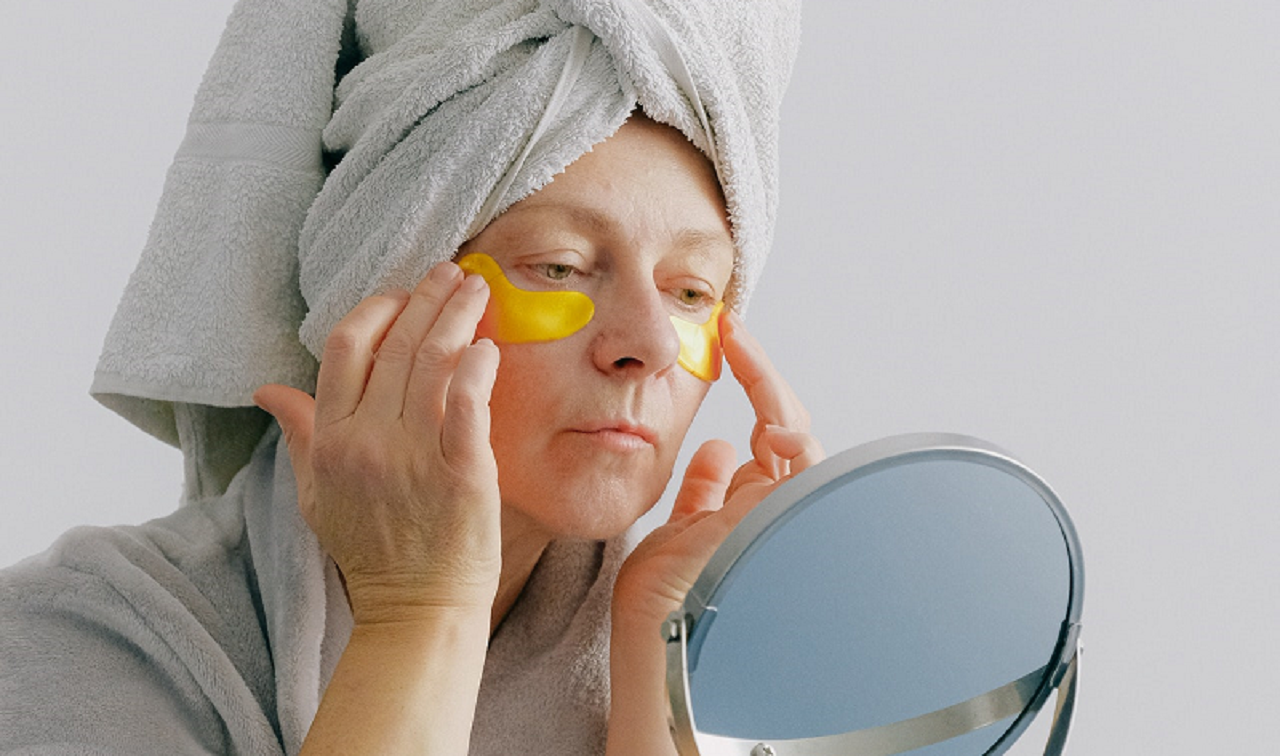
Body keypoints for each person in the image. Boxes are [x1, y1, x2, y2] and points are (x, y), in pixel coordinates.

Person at [0, 1, 813, 754]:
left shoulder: (679, 645)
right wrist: (417, 614)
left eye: (692, 291)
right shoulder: (75, 643)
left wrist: (663, 684)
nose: (649, 344)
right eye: (561, 268)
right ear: (377, 297)